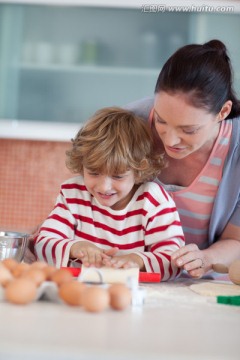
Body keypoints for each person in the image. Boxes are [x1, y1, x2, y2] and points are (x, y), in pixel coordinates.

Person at [125, 39, 240, 279]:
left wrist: (207, 258)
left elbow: (235, 239)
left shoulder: (237, 151)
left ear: (223, 112)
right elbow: (81, 197)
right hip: (129, 278)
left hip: (200, 290)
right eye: (161, 121)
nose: (170, 141)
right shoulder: (127, 123)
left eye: (188, 130)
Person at [34, 107, 185, 281]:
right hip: (78, 290)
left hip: (134, 296)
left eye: (118, 176)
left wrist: (137, 260)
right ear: (82, 164)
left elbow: (173, 261)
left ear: (138, 171)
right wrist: (77, 247)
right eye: (94, 173)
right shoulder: (73, 193)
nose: (104, 187)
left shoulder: (153, 201)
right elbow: (43, 244)